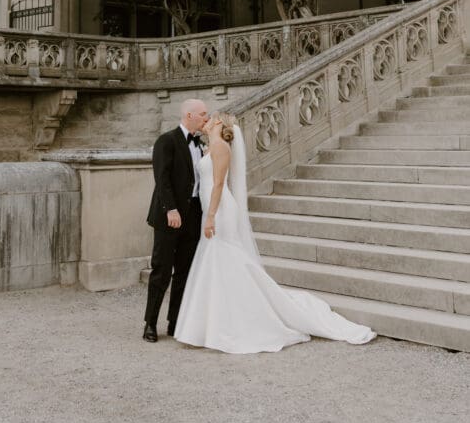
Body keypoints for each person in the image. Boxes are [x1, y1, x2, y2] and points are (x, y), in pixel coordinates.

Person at [175, 112, 376, 354]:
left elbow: (219, 183)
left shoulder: (221, 148)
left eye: (210, 118)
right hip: (211, 207)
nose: (205, 121)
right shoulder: (209, 147)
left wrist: (210, 216)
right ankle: (209, 326)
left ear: (218, 123)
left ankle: (236, 322)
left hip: (220, 210)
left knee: (225, 259)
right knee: (215, 260)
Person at [143, 98, 209, 342]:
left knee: (184, 272)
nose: (206, 118)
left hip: (193, 216)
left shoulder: (201, 144)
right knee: (161, 270)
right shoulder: (166, 140)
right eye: (203, 114)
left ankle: (175, 322)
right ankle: (150, 323)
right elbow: (162, 179)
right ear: (189, 115)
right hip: (168, 216)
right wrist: (170, 209)